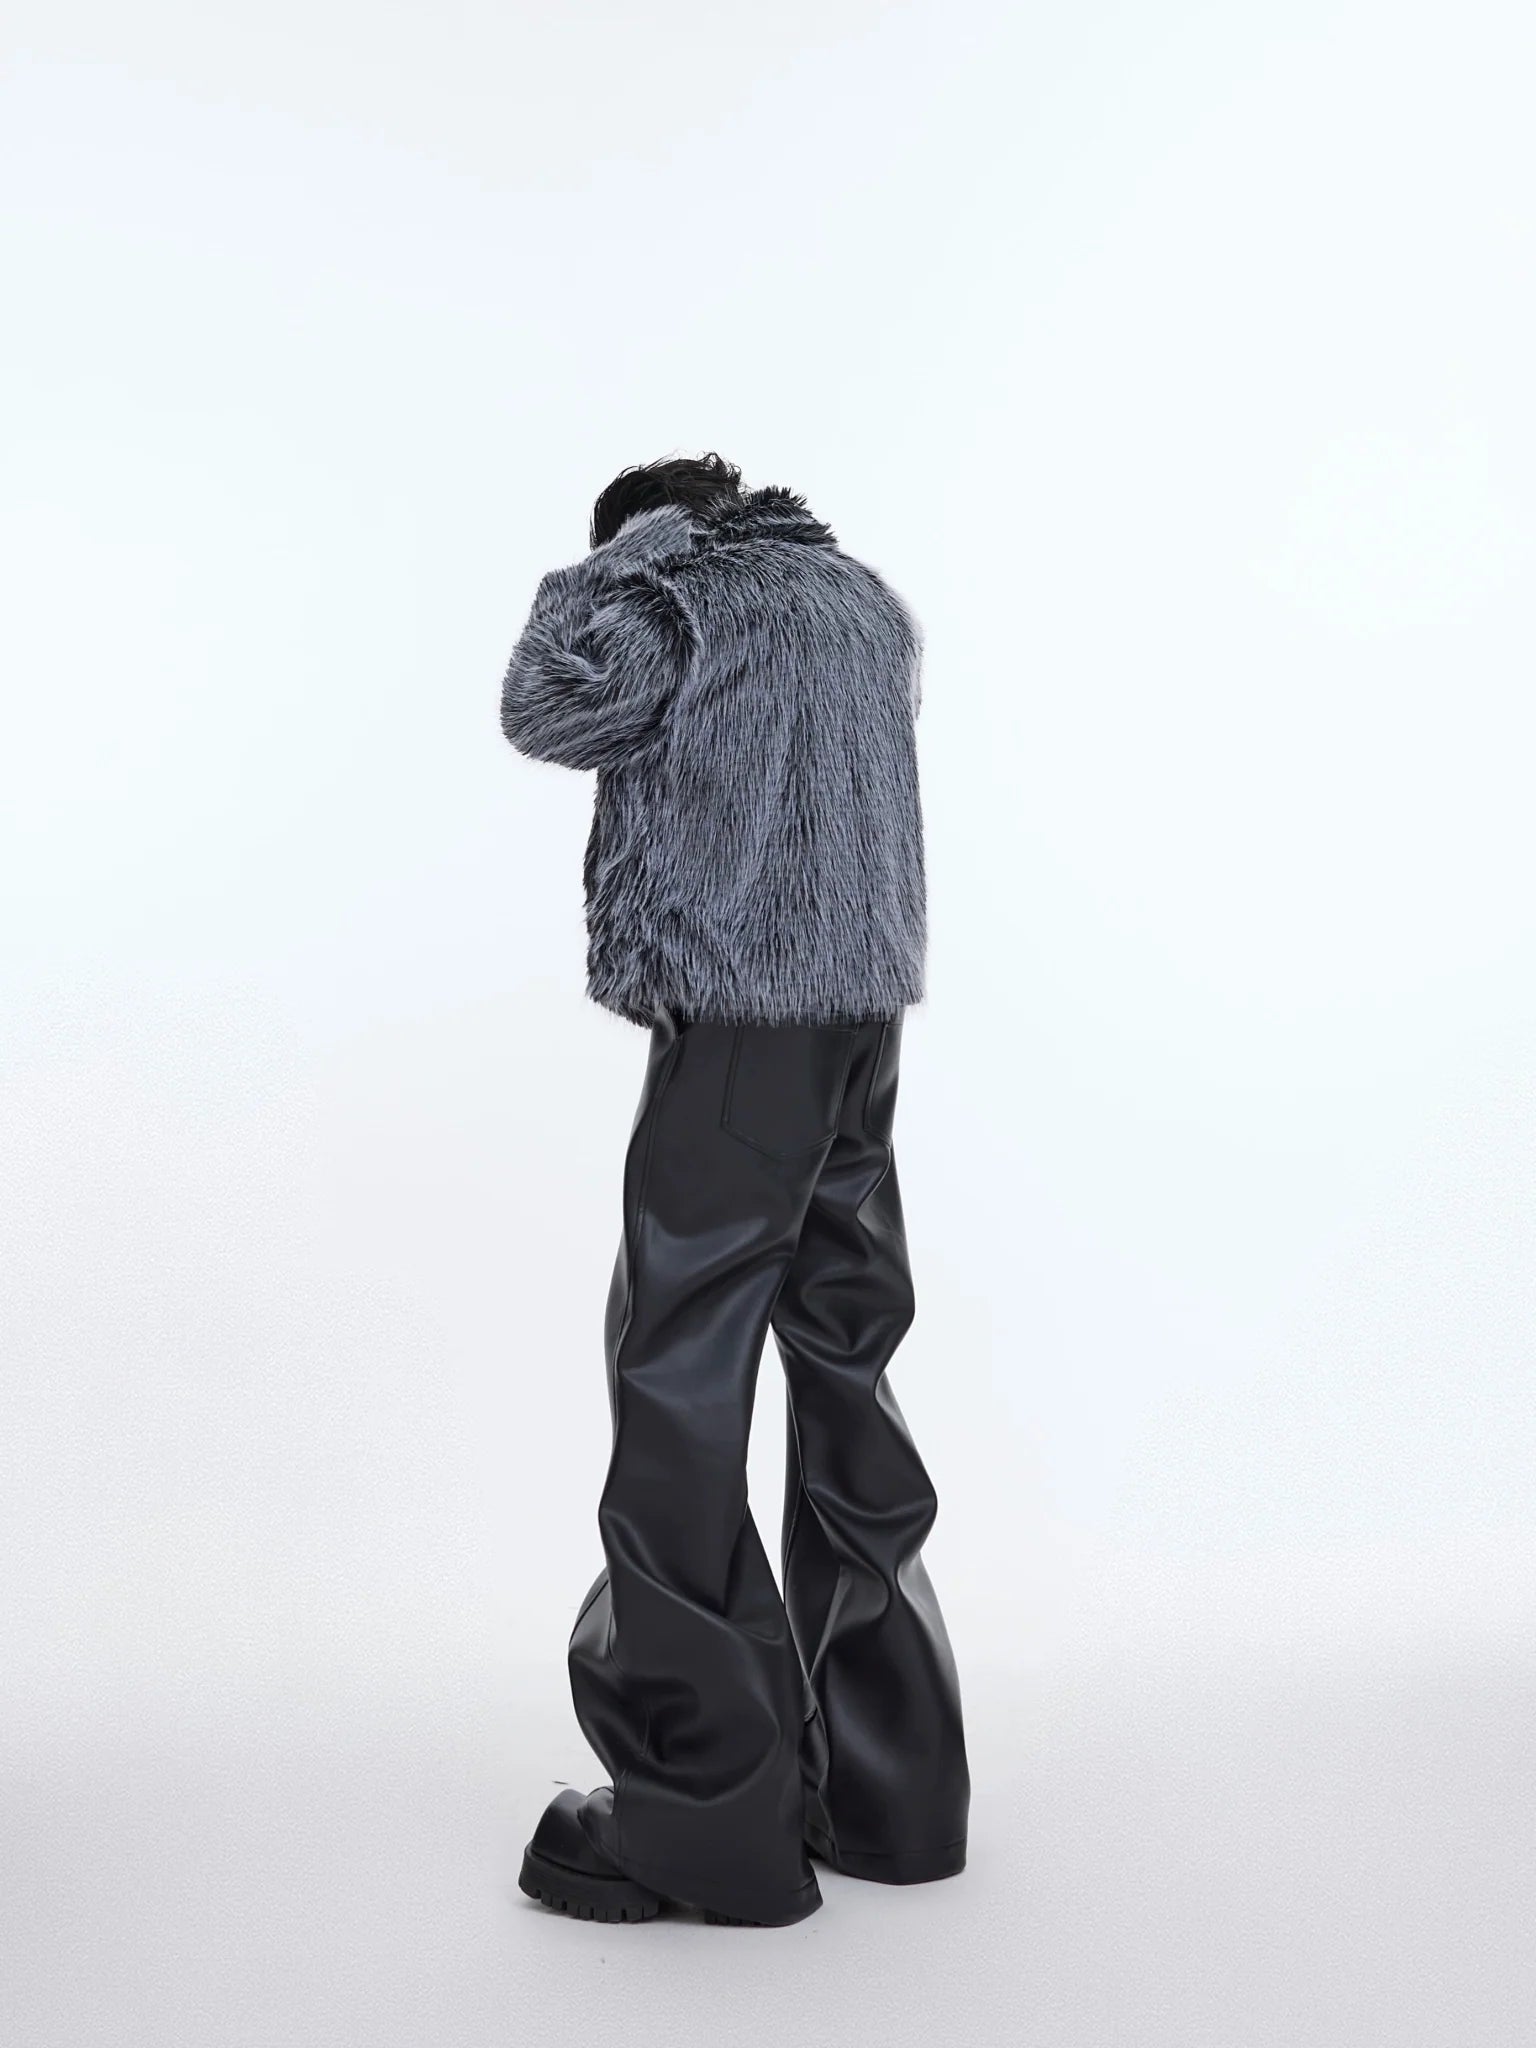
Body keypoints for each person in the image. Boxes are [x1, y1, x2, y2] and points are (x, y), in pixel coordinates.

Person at [499, 453, 969, 1928]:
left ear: (658, 527)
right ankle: (891, 1791)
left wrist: (622, 557)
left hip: (743, 1015)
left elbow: (547, 704)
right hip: (859, 1014)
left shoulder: (680, 596)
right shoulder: (860, 601)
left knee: (678, 1382)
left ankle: (703, 1819)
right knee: (846, 1366)